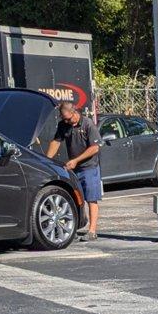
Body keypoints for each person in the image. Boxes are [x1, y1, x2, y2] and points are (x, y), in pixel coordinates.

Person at [47, 101, 101, 240]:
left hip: (89, 167)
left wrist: (76, 160)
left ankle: (92, 231)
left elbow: (95, 148)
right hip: (73, 169)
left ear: (74, 112)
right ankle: (74, 229)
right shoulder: (64, 125)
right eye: (64, 119)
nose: (67, 121)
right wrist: (46, 160)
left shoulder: (88, 124)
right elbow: (56, 141)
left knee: (91, 199)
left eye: (68, 118)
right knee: (76, 199)